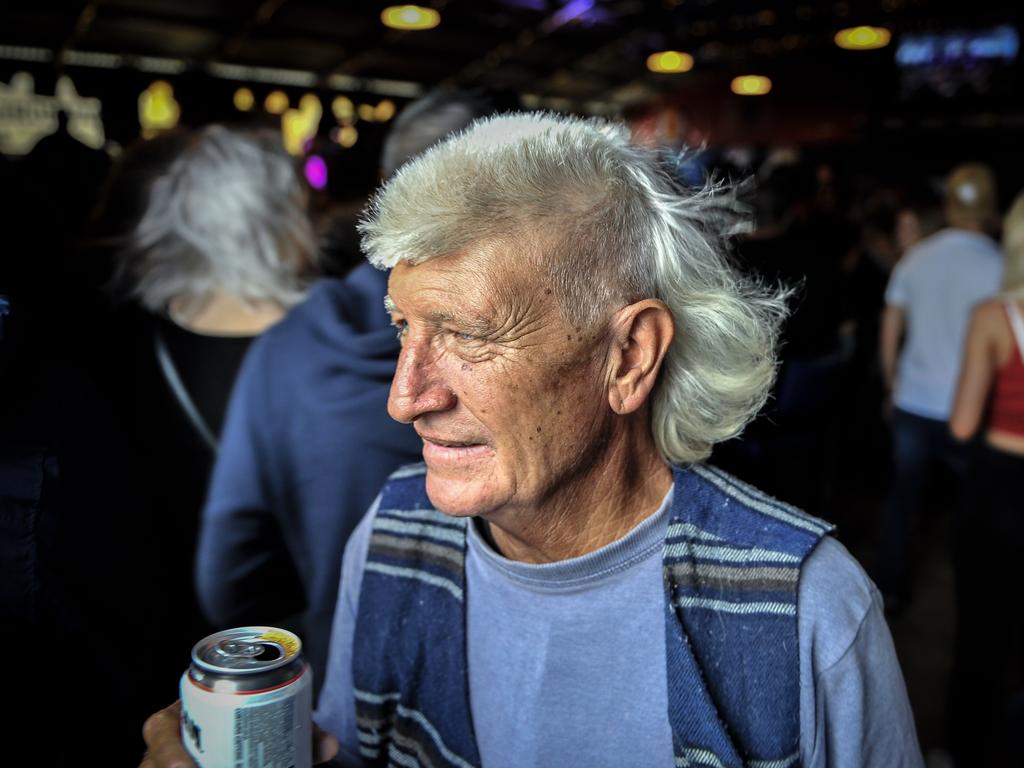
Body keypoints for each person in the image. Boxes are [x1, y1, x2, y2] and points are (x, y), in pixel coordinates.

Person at [142, 112, 922, 768]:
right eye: (404, 329)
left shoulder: (805, 611)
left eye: (469, 335)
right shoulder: (390, 536)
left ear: (628, 357)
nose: (405, 398)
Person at [195, 89, 512, 692]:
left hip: (346, 694)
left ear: (388, 191)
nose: (408, 398)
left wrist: (327, 607)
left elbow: (229, 578)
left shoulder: (288, 345)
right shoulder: (564, 350)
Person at [876, 162, 1003, 610]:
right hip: (972, 410)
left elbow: (890, 330)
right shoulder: (1001, 264)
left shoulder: (917, 257)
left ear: (947, 204)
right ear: (991, 209)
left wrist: (892, 387)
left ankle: (889, 589)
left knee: (903, 500)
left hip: (913, 401)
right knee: (974, 505)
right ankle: (972, 599)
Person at [947, 191, 1024, 767]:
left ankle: (964, 750)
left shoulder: (996, 317)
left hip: (1000, 488)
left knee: (981, 632)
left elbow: (964, 421)